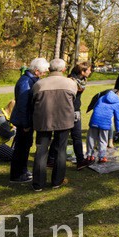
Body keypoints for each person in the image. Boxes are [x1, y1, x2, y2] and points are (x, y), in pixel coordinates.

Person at [31, 58, 78, 191]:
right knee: (60, 150)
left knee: (41, 151)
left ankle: (38, 184)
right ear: (63, 70)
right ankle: (57, 181)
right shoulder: (70, 83)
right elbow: (73, 99)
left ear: (49, 69)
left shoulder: (39, 84)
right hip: (64, 120)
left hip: (43, 120)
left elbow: (33, 100)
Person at [9, 57, 49, 183]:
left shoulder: (30, 80)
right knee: (21, 148)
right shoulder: (25, 82)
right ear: (36, 71)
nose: (43, 75)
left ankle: (23, 170)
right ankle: (16, 175)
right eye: (43, 72)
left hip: (26, 120)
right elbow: (23, 105)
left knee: (26, 146)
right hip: (23, 121)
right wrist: (26, 124)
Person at [48, 61, 92, 170]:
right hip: (67, 111)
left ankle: (80, 161)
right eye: (89, 69)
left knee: (75, 136)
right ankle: (51, 159)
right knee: (61, 136)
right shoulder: (70, 81)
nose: (90, 71)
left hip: (75, 110)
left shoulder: (82, 80)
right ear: (82, 71)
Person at [86, 89, 119, 164]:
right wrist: (118, 130)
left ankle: (89, 156)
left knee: (91, 138)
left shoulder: (103, 97)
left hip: (94, 120)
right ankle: (102, 157)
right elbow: (117, 118)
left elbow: (95, 107)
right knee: (103, 140)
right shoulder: (118, 103)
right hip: (105, 123)